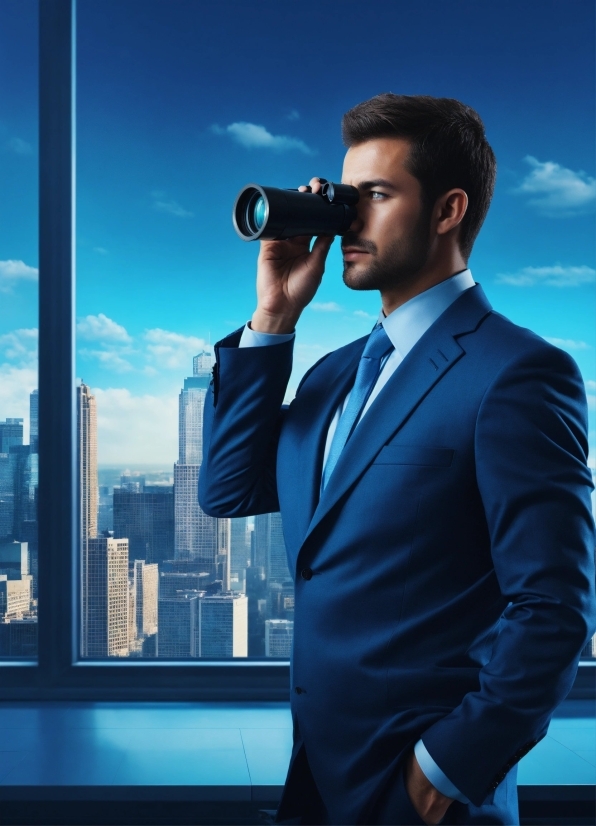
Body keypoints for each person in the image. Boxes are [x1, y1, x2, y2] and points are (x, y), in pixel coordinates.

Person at [198, 94, 596, 825]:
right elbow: (229, 489)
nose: (348, 218)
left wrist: (445, 768)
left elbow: (555, 606)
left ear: (447, 211)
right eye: (344, 198)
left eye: (375, 196)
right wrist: (274, 319)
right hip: (317, 769)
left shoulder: (519, 373)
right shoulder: (331, 373)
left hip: (423, 790)